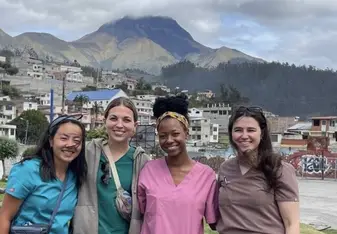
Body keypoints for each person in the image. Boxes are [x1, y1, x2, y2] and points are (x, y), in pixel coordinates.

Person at [137, 94, 217, 234]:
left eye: (175, 134)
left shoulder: (206, 176)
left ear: (186, 133)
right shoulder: (148, 170)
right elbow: (140, 213)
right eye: (163, 136)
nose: (169, 140)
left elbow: (215, 223)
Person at [72, 97, 151, 234]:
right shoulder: (86, 153)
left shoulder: (143, 161)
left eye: (126, 120)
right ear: (105, 121)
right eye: (114, 118)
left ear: (135, 125)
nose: (119, 125)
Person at [216, 106, 300, 234]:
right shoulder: (225, 169)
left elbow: (291, 224)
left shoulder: (279, 169)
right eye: (238, 130)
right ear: (231, 133)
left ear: (262, 134)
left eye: (251, 130)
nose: (244, 136)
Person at [0, 114, 87, 234]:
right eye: (64, 138)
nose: (70, 144)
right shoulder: (28, 170)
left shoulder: (75, 176)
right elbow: (4, 217)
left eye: (77, 140)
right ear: (51, 141)